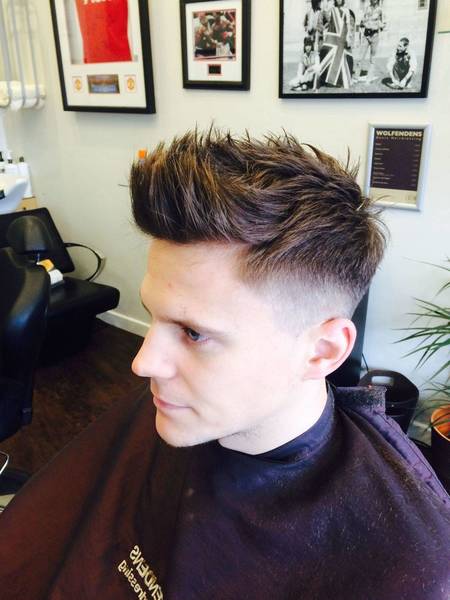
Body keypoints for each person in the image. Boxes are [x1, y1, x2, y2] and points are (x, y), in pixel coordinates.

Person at [0, 130, 449, 599]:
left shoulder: (408, 565)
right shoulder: (178, 409)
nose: (142, 363)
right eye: (153, 316)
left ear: (323, 351)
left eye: (194, 333)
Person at [354, 0, 386, 83]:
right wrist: (364, 23)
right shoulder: (367, 8)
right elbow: (361, 22)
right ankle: (356, 77)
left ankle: (369, 77)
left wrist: (378, 25)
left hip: (375, 36)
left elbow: (384, 24)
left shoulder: (380, 10)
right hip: (366, 36)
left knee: (372, 59)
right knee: (360, 57)